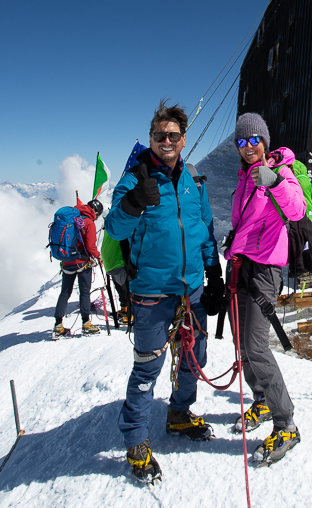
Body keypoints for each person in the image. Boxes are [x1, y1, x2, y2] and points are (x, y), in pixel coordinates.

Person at [105, 101, 223, 485]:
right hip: (153, 293)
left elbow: (203, 228)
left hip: (191, 289)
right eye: (160, 136)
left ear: (183, 139)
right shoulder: (135, 178)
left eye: (173, 135)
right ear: (152, 139)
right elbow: (115, 229)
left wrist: (213, 269)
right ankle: (136, 438)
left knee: (193, 356)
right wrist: (134, 201)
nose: (167, 141)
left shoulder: (194, 180)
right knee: (147, 366)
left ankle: (179, 413)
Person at [225, 112, 306, 465]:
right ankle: (260, 399)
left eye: (254, 140)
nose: (248, 147)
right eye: (241, 142)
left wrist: (274, 182)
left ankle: (286, 423)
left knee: (257, 346)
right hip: (241, 266)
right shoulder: (243, 177)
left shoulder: (281, 172)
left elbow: (298, 209)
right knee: (241, 342)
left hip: (265, 270)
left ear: (265, 141)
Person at [53, 197, 104, 337]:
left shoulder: (72, 218)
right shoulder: (88, 222)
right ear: (95, 211)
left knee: (65, 292)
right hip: (82, 262)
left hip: (66, 261)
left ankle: (58, 325)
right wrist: (98, 256)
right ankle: (86, 323)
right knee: (84, 292)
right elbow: (91, 246)